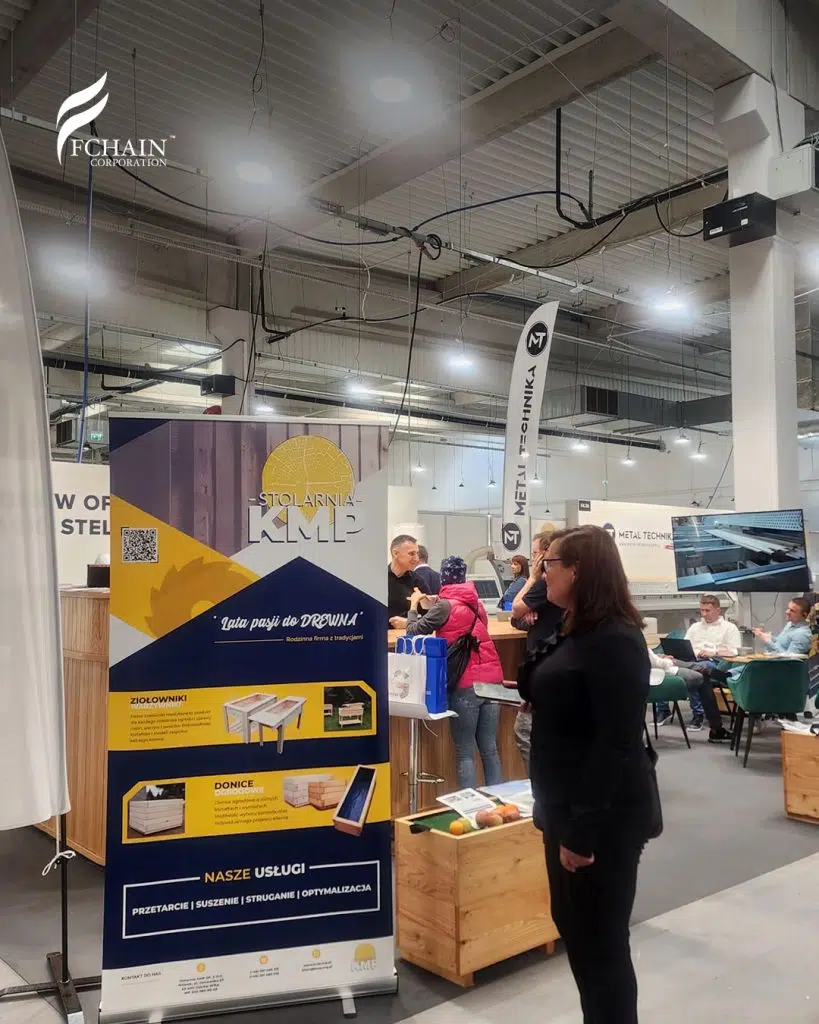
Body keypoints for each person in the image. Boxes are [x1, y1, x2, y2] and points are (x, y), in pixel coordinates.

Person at [518, 526, 654, 1024]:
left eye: (548, 564)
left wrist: (581, 832)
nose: (542, 574)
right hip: (564, 807)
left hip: (599, 819)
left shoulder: (616, 639)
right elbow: (536, 682)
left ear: (578, 571)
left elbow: (617, 743)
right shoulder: (576, 627)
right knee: (578, 932)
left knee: (600, 945)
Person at [405, 556, 504, 790]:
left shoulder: (443, 606)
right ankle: (498, 801)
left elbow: (413, 631)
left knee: (465, 751)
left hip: (465, 683)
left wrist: (413, 606)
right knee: (490, 748)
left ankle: (469, 805)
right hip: (493, 680)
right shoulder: (476, 603)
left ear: (444, 577)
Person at [509, 532, 563, 769]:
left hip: (545, 668)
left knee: (526, 732)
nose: (533, 560)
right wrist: (524, 615)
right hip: (542, 666)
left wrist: (531, 579)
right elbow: (518, 618)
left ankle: (540, 782)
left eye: (535, 554)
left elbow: (515, 608)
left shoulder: (543, 584)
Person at [657, 596, 742, 730]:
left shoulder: (729, 628)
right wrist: (675, 655)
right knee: (663, 664)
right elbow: (685, 646)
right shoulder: (695, 627)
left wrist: (713, 652)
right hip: (691, 659)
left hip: (715, 663)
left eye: (707, 610)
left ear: (718, 610)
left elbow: (734, 651)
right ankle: (663, 710)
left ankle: (698, 715)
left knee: (698, 671)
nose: (704, 614)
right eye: (702, 610)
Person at [648, 649, 733, 743]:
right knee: (703, 678)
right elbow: (654, 662)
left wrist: (661, 657)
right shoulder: (638, 641)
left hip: (660, 667)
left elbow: (650, 658)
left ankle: (723, 677)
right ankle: (716, 729)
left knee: (699, 667)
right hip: (661, 673)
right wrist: (667, 660)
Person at [387, 534, 429, 624]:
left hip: (409, 632)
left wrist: (408, 622)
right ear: (395, 553)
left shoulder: (418, 582)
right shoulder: (379, 580)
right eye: (411, 554)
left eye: (417, 553)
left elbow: (431, 617)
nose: (416, 559)